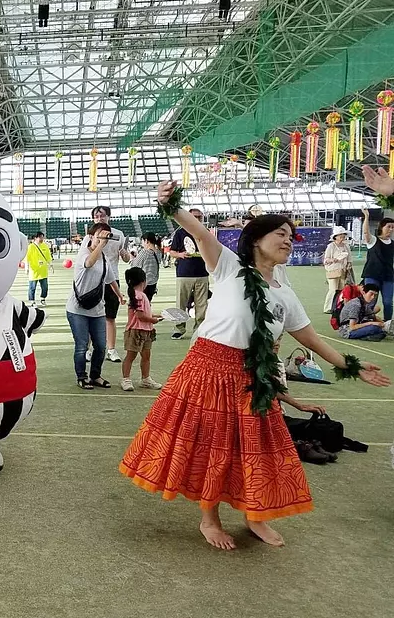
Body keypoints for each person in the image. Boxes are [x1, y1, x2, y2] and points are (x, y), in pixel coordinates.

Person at [120, 180, 389, 551]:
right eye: (281, 233)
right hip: (207, 369)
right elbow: (198, 231)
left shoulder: (285, 293)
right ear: (256, 238)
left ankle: (255, 515)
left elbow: (310, 339)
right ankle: (209, 520)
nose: (288, 240)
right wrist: (170, 204)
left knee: (256, 448)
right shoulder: (229, 266)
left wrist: (353, 365)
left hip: (253, 378)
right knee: (214, 446)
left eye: (292, 237)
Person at [67, 223, 124, 390]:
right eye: (99, 234)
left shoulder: (104, 258)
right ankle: (81, 377)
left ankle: (95, 375)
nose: (102, 238)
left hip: (97, 308)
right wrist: (101, 245)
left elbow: (110, 278)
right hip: (77, 308)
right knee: (82, 345)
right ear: (90, 236)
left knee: (100, 345)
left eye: (105, 235)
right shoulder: (83, 253)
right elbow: (89, 263)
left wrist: (120, 295)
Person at [90, 206, 130, 364]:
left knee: (110, 317)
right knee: (90, 315)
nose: (99, 218)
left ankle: (111, 350)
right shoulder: (91, 234)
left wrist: (125, 255)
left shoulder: (118, 234)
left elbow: (126, 259)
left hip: (112, 279)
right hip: (92, 279)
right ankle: (89, 349)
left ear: (109, 217)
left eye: (102, 215)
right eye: (96, 216)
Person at [168, 208, 209, 340]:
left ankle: (199, 329)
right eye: (194, 217)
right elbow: (172, 252)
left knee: (202, 304)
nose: (197, 219)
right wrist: (180, 254)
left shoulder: (206, 233)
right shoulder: (180, 233)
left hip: (202, 273)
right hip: (184, 273)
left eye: (199, 217)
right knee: (181, 303)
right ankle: (178, 328)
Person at [120, 267, 163, 392]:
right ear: (143, 281)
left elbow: (144, 314)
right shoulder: (138, 296)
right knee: (131, 356)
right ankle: (126, 379)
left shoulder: (140, 295)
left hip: (146, 331)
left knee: (146, 356)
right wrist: (153, 320)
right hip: (135, 331)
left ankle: (145, 379)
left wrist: (158, 316)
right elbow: (140, 316)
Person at [360, 208, 394, 321]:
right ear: (381, 227)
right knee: (370, 301)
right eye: (388, 226)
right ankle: (366, 321)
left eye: (393, 227)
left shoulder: (392, 244)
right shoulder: (373, 241)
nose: (391, 229)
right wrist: (366, 217)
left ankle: (388, 323)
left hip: (388, 276)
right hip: (372, 275)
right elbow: (366, 233)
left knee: (388, 302)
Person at [322, 226, 352, 313]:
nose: (342, 238)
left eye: (343, 236)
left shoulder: (346, 246)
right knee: (333, 289)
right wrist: (333, 260)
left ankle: (338, 306)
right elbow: (326, 260)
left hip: (343, 271)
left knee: (341, 290)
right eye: (340, 236)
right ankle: (327, 307)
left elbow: (349, 258)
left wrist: (349, 265)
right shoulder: (331, 246)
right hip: (333, 271)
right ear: (336, 237)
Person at [130, 232, 161, 301]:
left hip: (143, 285)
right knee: (147, 305)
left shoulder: (144, 252)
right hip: (153, 284)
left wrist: (132, 258)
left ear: (146, 241)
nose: (142, 244)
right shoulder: (159, 252)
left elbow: (134, 266)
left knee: (140, 306)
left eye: (142, 241)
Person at [25, 231, 52, 307]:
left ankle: (43, 298)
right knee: (32, 287)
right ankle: (32, 301)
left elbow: (48, 256)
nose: (42, 239)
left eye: (42, 237)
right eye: (40, 237)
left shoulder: (45, 246)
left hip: (43, 271)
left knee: (45, 287)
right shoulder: (30, 247)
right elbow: (27, 258)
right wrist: (26, 267)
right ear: (35, 238)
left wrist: (50, 264)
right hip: (34, 271)